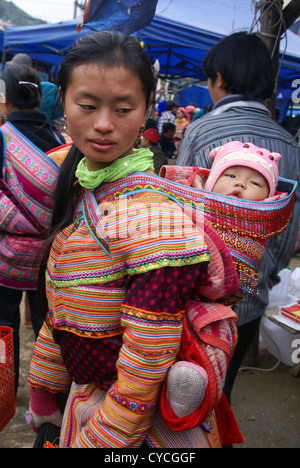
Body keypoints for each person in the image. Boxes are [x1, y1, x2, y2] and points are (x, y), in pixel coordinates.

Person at [27, 31, 244, 449]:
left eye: (123, 108)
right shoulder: (82, 188)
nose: (104, 124)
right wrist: (43, 387)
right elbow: (61, 312)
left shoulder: (158, 223)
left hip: (133, 426)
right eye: (87, 106)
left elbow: (147, 358)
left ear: (145, 110)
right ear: (63, 105)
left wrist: (103, 439)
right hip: (83, 400)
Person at [177, 32, 300, 403]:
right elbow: (290, 227)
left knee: (183, 398)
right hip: (250, 300)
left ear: (221, 79)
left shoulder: (202, 130)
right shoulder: (290, 143)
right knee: (220, 395)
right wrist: (259, 275)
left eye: (210, 79)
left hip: (194, 302)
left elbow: (180, 210)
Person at [164, 141, 283, 419]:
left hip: (222, 306)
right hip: (172, 294)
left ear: (269, 195)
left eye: (255, 181)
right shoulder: (189, 198)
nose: (240, 185)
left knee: (215, 347)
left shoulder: (261, 220)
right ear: (212, 178)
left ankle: (192, 397)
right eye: (230, 176)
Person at [0, 64, 66, 392]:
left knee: (4, 326)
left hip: (6, 258)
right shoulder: (58, 137)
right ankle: (48, 391)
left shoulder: (2, 138)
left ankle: (5, 387)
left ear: (4, 97)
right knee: (46, 325)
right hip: (49, 256)